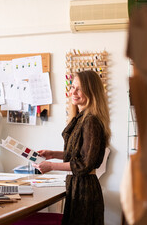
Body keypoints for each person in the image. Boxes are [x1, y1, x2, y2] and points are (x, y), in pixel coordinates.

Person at [33, 70, 111, 225]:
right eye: (72, 87)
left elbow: (84, 164)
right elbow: (80, 152)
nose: (73, 92)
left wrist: (51, 166)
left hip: (84, 190)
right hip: (76, 186)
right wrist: (53, 154)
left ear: (91, 91)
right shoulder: (81, 118)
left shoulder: (91, 121)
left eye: (79, 89)